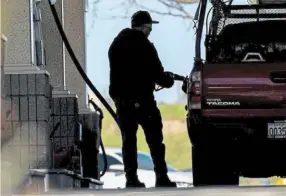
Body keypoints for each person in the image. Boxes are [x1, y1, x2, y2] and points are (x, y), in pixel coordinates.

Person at [108, 10, 177, 188]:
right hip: (144, 102)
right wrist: (168, 80)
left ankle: (131, 179)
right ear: (145, 28)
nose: (150, 32)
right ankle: (161, 177)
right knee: (155, 141)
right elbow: (158, 75)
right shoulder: (145, 46)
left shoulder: (116, 45)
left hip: (122, 103)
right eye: (150, 28)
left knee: (128, 142)